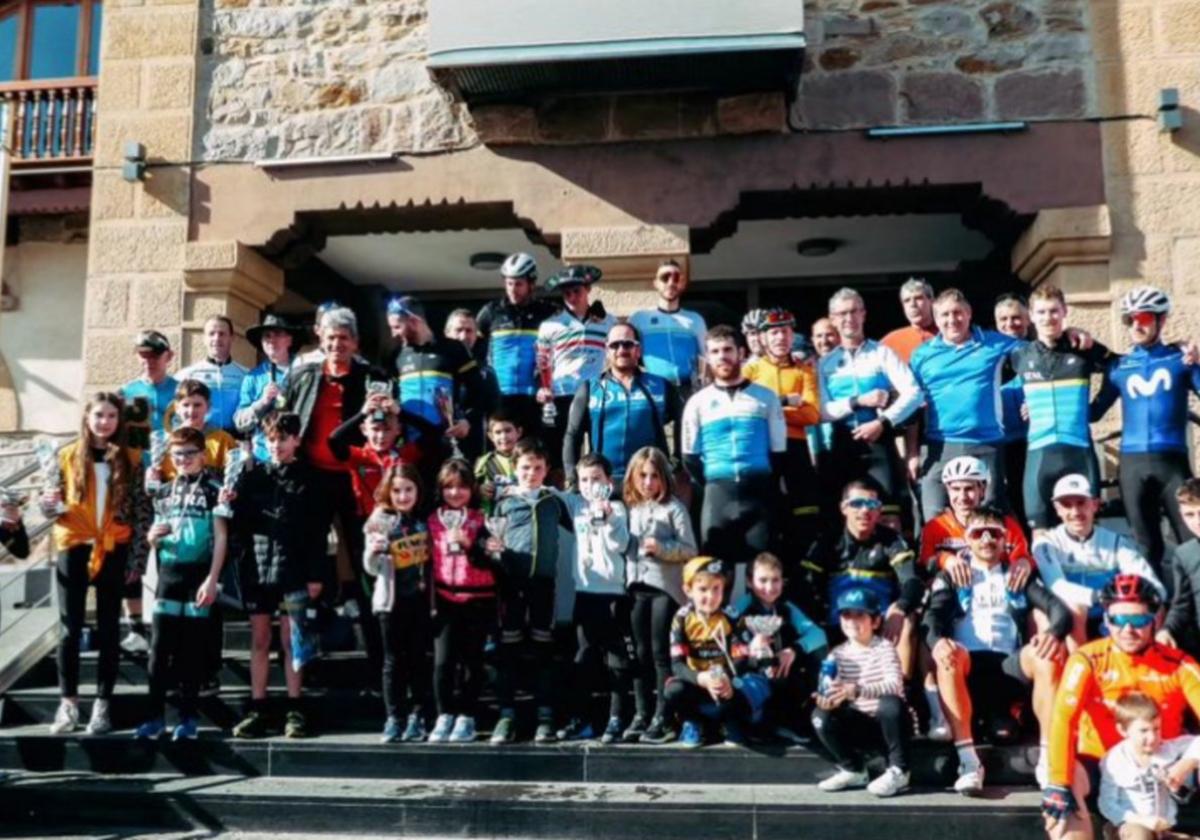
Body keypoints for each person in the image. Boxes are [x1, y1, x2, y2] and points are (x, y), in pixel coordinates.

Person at [1042, 575, 1200, 840]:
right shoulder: (1087, 659)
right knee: (1063, 789)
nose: (1127, 629)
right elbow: (1062, 720)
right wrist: (1058, 782)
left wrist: (1189, 761)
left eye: (1138, 620)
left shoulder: (1178, 663)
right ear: (1105, 621)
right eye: (1117, 620)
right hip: (1098, 761)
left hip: (1163, 761)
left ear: (1155, 621)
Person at [926, 505, 1070, 795]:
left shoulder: (1017, 573)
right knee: (948, 653)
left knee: (1046, 655)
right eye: (979, 533)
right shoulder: (953, 573)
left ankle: (1048, 758)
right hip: (968, 665)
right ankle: (968, 763)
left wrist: (1052, 634)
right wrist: (937, 641)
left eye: (995, 533)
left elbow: (1059, 610)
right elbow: (933, 617)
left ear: (1006, 539)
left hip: (1009, 664)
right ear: (968, 539)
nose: (987, 539)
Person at [285, 306, 386, 675]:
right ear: (320, 339)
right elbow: (285, 421)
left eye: (344, 338)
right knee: (310, 557)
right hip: (312, 477)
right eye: (330, 338)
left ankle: (377, 651)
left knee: (365, 558)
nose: (336, 344)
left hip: (356, 478)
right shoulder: (303, 375)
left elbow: (386, 424)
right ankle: (310, 651)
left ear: (355, 341)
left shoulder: (371, 376)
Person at [42, 393, 145, 736]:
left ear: (119, 421)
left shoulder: (130, 458)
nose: (105, 422)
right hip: (74, 545)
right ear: (87, 418)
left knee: (108, 627)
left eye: (112, 416)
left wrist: (137, 557)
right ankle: (68, 702)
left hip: (113, 545)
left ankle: (103, 703)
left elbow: (139, 511)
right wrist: (48, 504)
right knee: (70, 628)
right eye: (99, 415)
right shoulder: (67, 456)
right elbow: (50, 504)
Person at [228, 412, 324, 740]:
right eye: (271, 440)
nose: (276, 445)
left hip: (294, 569)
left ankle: (295, 708)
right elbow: (238, 524)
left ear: (296, 440)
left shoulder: (309, 479)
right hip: (257, 568)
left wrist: (315, 574)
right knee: (259, 639)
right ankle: (258, 707)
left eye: (283, 439)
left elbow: (317, 532)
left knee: (291, 640)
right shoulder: (252, 476)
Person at [1091, 286, 1200, 574]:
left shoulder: (1181, 360)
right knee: (1145, 546)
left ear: (1161, 320)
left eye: (1143, 318)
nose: (1136, 325)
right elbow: (1093, 412)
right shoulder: (1118, 366)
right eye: (1129, 319)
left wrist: (1198, 363)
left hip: (1172, 462)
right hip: (1132, 465)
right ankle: (1152, 614)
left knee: (1191, 542)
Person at [135, 426, 227, 741]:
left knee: (191, 651)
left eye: (190, 453)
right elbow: (156, 533)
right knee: (159, 649)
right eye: (178, 455)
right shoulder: (164, 490)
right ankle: (154, 717)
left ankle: (188, 719)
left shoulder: (215, 488)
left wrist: (213, 580)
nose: (184, 459)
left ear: (203, 454)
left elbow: (223, 537)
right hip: (169, 574)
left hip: (199, 575)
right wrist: (151, 538)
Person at [485, 437, 572, 744]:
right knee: (508, 651)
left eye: (537, 468)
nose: (531, 473)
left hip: (543, 585)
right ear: (514, 468)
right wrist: (491, 549)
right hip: (510, 585)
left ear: (546, 470)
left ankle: (545, 716)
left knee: (543, 651)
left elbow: (582, 528)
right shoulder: (504, 501)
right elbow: (488, 538)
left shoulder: (554, 502)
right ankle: (506, 716)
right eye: (525, 467)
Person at [682, 325, 786, 574]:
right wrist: (714, 479)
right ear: (707, 358)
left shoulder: (767, 398)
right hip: (718, 494)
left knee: (763, 574)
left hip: (759, 495)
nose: (722, 356)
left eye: (728, 349)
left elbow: (780, 452)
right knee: (715, 574)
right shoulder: (698, 402)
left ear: (741, 352)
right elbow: (689, 457)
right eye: (715, 351)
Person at [910, 289, 1022, 518]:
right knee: (934, 518)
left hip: (986, 443)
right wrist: (912, 453)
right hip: (939, 445)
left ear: (969, 313)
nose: (952, 320)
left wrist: (1071, 332)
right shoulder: (921, 355)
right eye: (945, 315)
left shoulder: (994, 343)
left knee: (990, 519)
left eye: (957, 313)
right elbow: (911, 407)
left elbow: (1040, 356)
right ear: (936, 318)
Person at [1009, 285, 1111, 534]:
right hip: (1039, 453)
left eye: (1054, 311)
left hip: (1079, 451)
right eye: (1041, 312)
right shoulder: (1019, 355)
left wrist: (1097, 409)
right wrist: (1024, 405)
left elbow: (1122, 368)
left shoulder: (1083, 347)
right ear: (1031, 316)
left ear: (1065, 312)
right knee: (1040, 532)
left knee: (1086, 531)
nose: (1048, 318)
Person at [819, 288, 922, 526]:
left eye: (855, 311)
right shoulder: (825, 363)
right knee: (845, 519)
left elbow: (914, 393)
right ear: (833, 319)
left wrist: (883, 421)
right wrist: (858, 401)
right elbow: (823, 411)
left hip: (879, 443)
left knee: (888, 516)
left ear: (864, 314)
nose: (849, 318)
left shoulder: (882, 353)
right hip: (842, 444)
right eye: (842, 313)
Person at [804, 480, 922, 681]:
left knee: (909, 621)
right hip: (838, 624)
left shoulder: (891, 540)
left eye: (872, 505)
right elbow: (804, 584)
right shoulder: (828, 541)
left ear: (879, 511)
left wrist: (900, 608)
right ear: (844, 508)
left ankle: (902, 693)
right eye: (857, 504)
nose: (865, 510)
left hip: (880, 626)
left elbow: (912, 581)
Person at [557, 453, 634, 744]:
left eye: (597, 479)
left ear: (609, 481)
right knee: (584, 657)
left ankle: (616, 717)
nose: (590, 485)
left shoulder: (617, 508)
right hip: (584, 592)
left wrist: (610, 518)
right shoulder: (576, 505)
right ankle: (584, 718)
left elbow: (622, 544)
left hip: (613, 594)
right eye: (585, 480)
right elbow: (551, 494)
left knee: (616, 659)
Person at [1034, 474, 1163, 646]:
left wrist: (1131, 602)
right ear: (1057, 509)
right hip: (1071, 619)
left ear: (1095, 505)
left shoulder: (1117, 542)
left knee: (1157, 606)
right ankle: (1081, 667)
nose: (1075, 512)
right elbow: (1056, 585)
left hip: (1111, 614)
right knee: (1075, 608)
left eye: (1081, 503)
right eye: (1066, 505)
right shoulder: (1046, 543)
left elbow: (1152, 584)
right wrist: (1101, 596)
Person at [624, 445, 698, 744]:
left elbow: (691, 549)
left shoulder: (674, 508)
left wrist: (664, 548)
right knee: (639, 654)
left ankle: (664, 715)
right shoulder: (632, 509)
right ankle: (641, 713)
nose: (647, 482)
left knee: (659, 653)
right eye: (642, 476)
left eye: (654, 476)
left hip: (664, 589)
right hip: (635, 586)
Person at [812, 586, 911, 798]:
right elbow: (833, 688)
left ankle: (900, 769)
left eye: (860, 615)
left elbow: (895, 685)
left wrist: (858, 690)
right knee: (820, 717)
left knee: (890, 703)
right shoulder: (837, 654)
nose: (852, 621)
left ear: (875, 621)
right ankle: (854, 769)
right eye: (846, 615)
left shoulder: (884, 647)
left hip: (889, 725)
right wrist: (829, 700)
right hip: (861, 725)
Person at [663, 556, 765, 748]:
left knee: (751, 683)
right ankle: (693, 722)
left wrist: (725, 677)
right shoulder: (682, 618)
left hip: (725, 681)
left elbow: (742, 656)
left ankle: (730, 722)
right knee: (673, 689)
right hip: (698, 680)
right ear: (688, 590)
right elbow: (677, 664)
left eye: (716, 589)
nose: (710, 597)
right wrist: (702, 678)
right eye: (703, 590)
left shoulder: (731, 614)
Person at [363, 463, 432, 743]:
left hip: (420, 598)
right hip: (391, 602)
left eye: (408, 490)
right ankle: (394, 716)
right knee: (392, 661)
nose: (403, 496)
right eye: (397, 491)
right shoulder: (380, 519)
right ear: (388, 492)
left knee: (419, 658)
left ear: (417, 491)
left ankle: (418, 715)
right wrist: (375, 552)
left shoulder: (426, 519)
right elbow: (369, 567)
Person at [563, 322, 680, 486]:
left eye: (628, 344)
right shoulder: (589, 388)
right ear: (606, 351)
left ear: (638, 350)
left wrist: (677, 462)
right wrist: (572, 476)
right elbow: (572, 434)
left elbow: (684, 423)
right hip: (603, 482)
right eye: (614, 345)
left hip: (649, 481)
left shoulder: (661, 386)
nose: (621, 350)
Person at [427, 460, 494, 744]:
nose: (455, 493)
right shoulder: (432, 520)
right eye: (449, 487)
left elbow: (491, 560)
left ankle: (466, 715)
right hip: (444, 599)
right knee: (443, 662)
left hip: (478, 599)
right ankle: (444, 714)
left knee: (472, 661)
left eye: (462, 487)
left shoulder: (481, 520)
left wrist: (472, 545)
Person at [744, 308, 821, 550]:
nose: (781, 338)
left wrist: (770, 411)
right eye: (774, 332)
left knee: (805, 508)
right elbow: (748, 409)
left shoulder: (804, 369)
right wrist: (785, 401)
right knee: (767, 508)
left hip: (795, 446)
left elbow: (811, 414)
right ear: (763, 338)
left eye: (786, 331)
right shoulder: (750, 371)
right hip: (763, 448)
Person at [119, 329, 176, 655]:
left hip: (171, 481)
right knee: (135, 553)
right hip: (137, 483)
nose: (148, 361)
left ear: (167, 356)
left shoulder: (179, 391)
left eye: (154, 355)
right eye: (143, 355)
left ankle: (170, 622)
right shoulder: (128, 392)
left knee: (171, 550)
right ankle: (136, 626)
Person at [729, 552, 828, 740]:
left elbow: (819, 635)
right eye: (763, 580)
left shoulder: (786, 607)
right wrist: (749, 648)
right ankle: (751, 723)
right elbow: (723, 642)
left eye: (775, 580)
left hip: (778, 671)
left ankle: (812, 714)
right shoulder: (739, 608)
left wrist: (793, 650)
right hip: (748, 673)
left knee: (817, 653)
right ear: (749, 582)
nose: (769, 587)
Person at [389, 295, 485, 483]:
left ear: (414, 321)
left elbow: (479, 391)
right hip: (411, 447)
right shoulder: (396, 356)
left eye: (396, 327)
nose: (393, 334)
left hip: (446, 443)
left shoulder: (452, 349)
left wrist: (467, 420)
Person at [536, 265, 614, 472]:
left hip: (599, 393)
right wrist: (542, 388)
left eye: (576, 291)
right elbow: (541, 364)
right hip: (563, 394)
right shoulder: (550, 325)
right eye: (566, 292)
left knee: (600, 450)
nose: (571, 296)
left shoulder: (609, 322)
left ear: (588, 289)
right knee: (564, 453)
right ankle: (567, 494)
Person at [475, 252, 558, 435]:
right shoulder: (491, 312)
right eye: (509, 283)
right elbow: (475, 349)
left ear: (531, 283)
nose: (513, 289)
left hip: (533, 395)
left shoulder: (547, 312)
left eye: (519, 284)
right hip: (500, 394)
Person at [1098, 693, 1200, 839]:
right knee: (1141, 835)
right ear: (1122, 730)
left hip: (1163, 828)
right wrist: (1142, 821)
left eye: (1156, 729)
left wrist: (1186, 764)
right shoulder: (1114, 760)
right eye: (1143, 731)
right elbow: (1107, 804)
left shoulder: (1167, 749)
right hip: (1130, 825)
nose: (1152, 738)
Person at [628, 260, 707, 400]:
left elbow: (707, 357)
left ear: (682, 283)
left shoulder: (695, 320)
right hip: (653, 389)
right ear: (656, 283)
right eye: (665, 277)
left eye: (676, 278)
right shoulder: (639, 319)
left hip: (688, 391)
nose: (671, 282)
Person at [235, 312, 305, 462]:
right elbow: (240, 422)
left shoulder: (304, 372)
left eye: (278, 334)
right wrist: (263, 402)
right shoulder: (253, 377)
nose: (272, 340)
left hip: (297, 458)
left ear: (289, 339)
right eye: (267, 336)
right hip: (262, 457)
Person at [995, 293, 1032, 529]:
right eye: (1004, 319)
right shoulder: (990, 356)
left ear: (1028, 320)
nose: (1010, 324)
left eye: (1017, 318)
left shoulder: (1040, 350)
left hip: (1033, 439)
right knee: (1008, 502)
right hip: (1001, 440)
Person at [177, 315, 249, 433]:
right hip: (200, 440)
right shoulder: (187, 375)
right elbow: (173, 413)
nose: (216, 338)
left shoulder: (246, 375)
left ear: (232, 338)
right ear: (204, 338)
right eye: (211, 334)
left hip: (235, 440)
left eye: (222, 334)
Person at [155, 380, 237, 482]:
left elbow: (232, 477)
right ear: (176, 407)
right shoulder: (166, 441)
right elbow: (161, 479)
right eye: (186, 405)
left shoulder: (223, 440)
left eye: (197, 405)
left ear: (208, 407)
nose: (191, 410)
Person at [444, 308, 496, 463]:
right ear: (447, 333)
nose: (463, 336)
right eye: (458, 330)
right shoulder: (435, 367)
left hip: (477, 448)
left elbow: (494, 412)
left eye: (469, 331)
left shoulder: (486, 372)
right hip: (440, 443)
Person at [1158, 479, 1200, 658]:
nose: (1197, 521)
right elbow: (1181, 605)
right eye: (1190, 515)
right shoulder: (1184, 554)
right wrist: (1166, 630)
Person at [474, 408, 520, 516]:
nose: (503, 436)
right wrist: (479, 490)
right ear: (490, 436)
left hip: (522, 516)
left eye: (508, 430)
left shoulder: (528, 459)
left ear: (519, 432)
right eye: (498, 432)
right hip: (494, 517)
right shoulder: (483, 462)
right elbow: (471, 487)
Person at [881, 277, 937, 364]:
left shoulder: (949, 334)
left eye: (918, 298)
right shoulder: (890, 341)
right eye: (907, 300)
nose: (912, 304)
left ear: (932, 301)